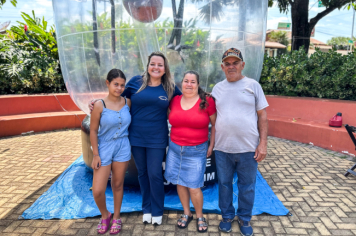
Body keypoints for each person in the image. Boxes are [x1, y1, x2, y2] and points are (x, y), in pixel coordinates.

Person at [90, 52, 182, 224]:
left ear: (165, 68)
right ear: (147, 65)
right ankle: (146, 209)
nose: (156, 67)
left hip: (157, 139)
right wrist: (97, 102)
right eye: (152, 63)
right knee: (143, 173)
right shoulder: (135, 82)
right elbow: (117, 98)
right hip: (136, 137)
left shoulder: (169, 86)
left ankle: (157, 211)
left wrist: (206, 98)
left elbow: (186, 99)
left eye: (160, 65)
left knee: (154, 174)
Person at [211, 48, 268, 236]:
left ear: (242, 65)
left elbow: (263, 116)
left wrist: (263, 143)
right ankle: (227, 216)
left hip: (248, 148)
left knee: (247, 186)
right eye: (227, 63)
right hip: (222, 148)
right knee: (225, 184)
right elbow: (213, 117)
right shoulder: (217, 88)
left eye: (235, 63)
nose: (231, 66)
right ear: (222, 67)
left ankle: (244, 218)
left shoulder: (253, 85)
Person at [164, 71, 217, 233]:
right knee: (180, 183)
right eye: (186, 81)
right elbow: (170, 120)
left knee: (194, 186)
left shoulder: (207, 101)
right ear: (182, 83)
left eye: (193, 81)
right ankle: (187, 213)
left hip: (196, 150)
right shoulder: (174, 101)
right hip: (174, 149)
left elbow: (215, 125)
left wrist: (211, 145)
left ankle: (200, 216)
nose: (189, 84)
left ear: (198, 84)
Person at [90, 69, 131, 235]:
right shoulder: (99, 105)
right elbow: (93, 130)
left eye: (122, 85)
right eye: (116, 84)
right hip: (104, 147)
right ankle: (105, 214)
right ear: (107, 83)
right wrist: (95, 154)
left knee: (117, 184)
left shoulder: (128, 103)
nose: (119, 88)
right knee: (98, 189)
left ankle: (117, 217)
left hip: (123, 146)